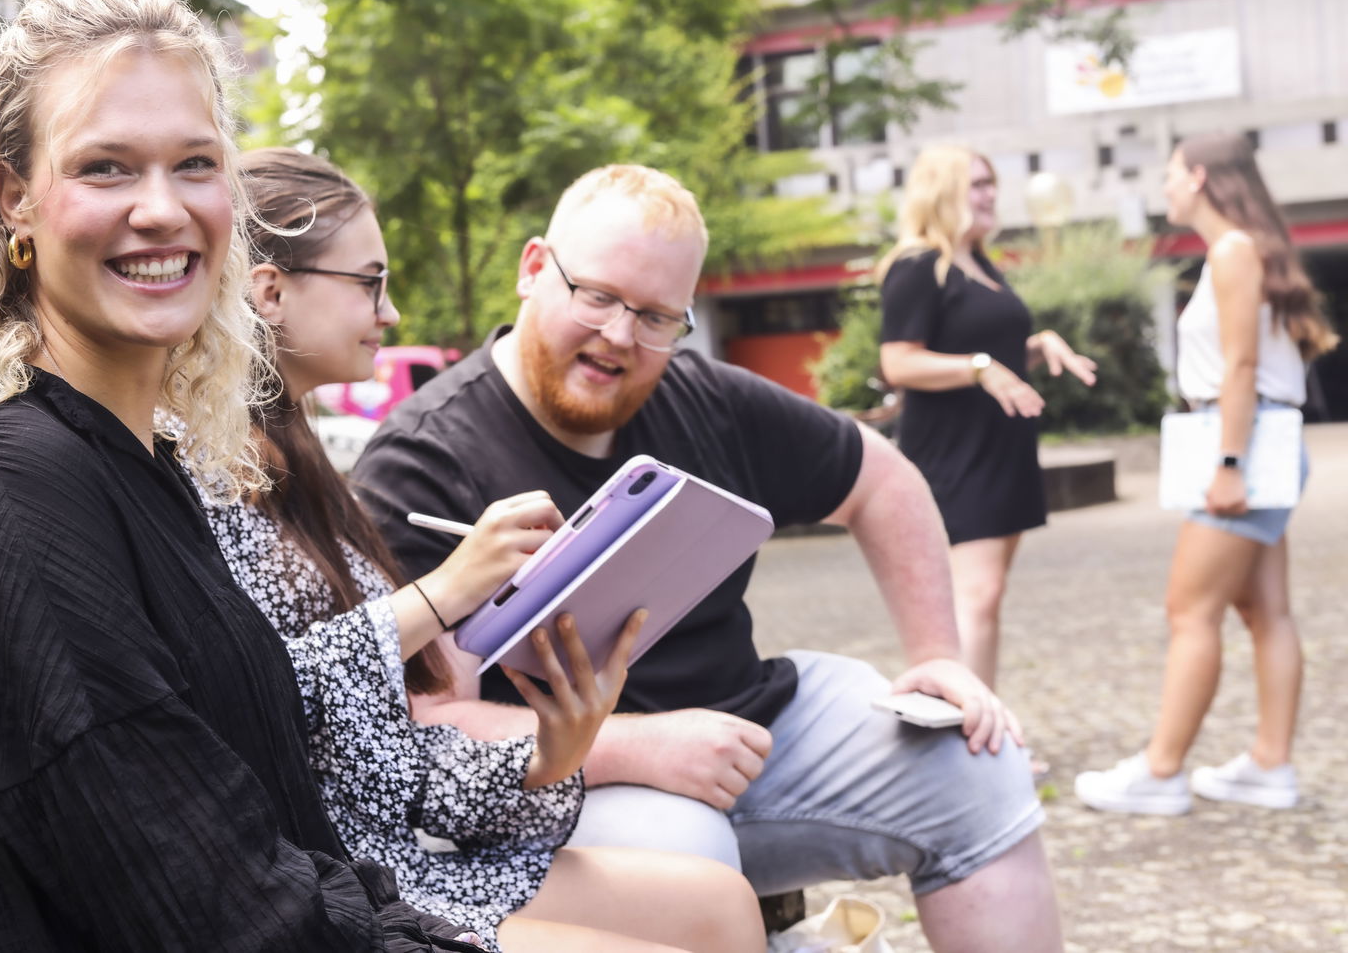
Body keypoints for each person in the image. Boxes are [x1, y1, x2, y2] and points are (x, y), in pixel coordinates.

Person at [0, 0, 485, 950]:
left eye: (194, 163)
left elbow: (254, 831)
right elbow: (211, 910)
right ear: (16, 196)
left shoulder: (126, 456)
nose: (162, 209)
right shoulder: (13, 489)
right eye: (106, 167)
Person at [353, 164, 1066, 953]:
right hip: (563, 794)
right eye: (597, 295)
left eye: (658, 315)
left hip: (747, 730)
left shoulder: (706, 398)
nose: (620, 335)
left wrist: (940, 657)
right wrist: (637, 745)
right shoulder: (422, 460)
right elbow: (426, 726)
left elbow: (884, 479)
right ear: (532, 270)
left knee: (978, 762)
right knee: (684, 854)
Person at [196, 146, 765, 953]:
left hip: (389, 863)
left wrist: (549, 751)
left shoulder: (308, 473)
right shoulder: (195, 478)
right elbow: (248, 700)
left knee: (720, 904)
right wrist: (441, 595)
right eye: (370, 281)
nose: (390, 313)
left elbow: (387, 763)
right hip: (316, 889)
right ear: (271, 290)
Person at [1074, 133, 1337, 815]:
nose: (1165, 188)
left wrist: (1227, 463)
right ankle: (1269, 765)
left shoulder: (1231, 251)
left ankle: (1161, 771)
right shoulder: (1246, 249)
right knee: (1263, 609)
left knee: (1190, 610)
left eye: (1170, 175)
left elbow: (1240, 367)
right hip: (1261, 437)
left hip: (1241, 439)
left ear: (1198, 177)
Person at [877, 146, 1096, 689]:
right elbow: (898, 360)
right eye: (976, 183)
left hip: (1003, 453)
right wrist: (980, 367)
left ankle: (980, 731)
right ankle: (967, 735)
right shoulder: (918, 265)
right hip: (956, 455)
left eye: (991, 182)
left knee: (985, 599)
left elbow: (986, 347)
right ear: (943, 191)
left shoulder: (979, 263)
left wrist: (1038, 346)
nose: (989, 193)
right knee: (975, 598)